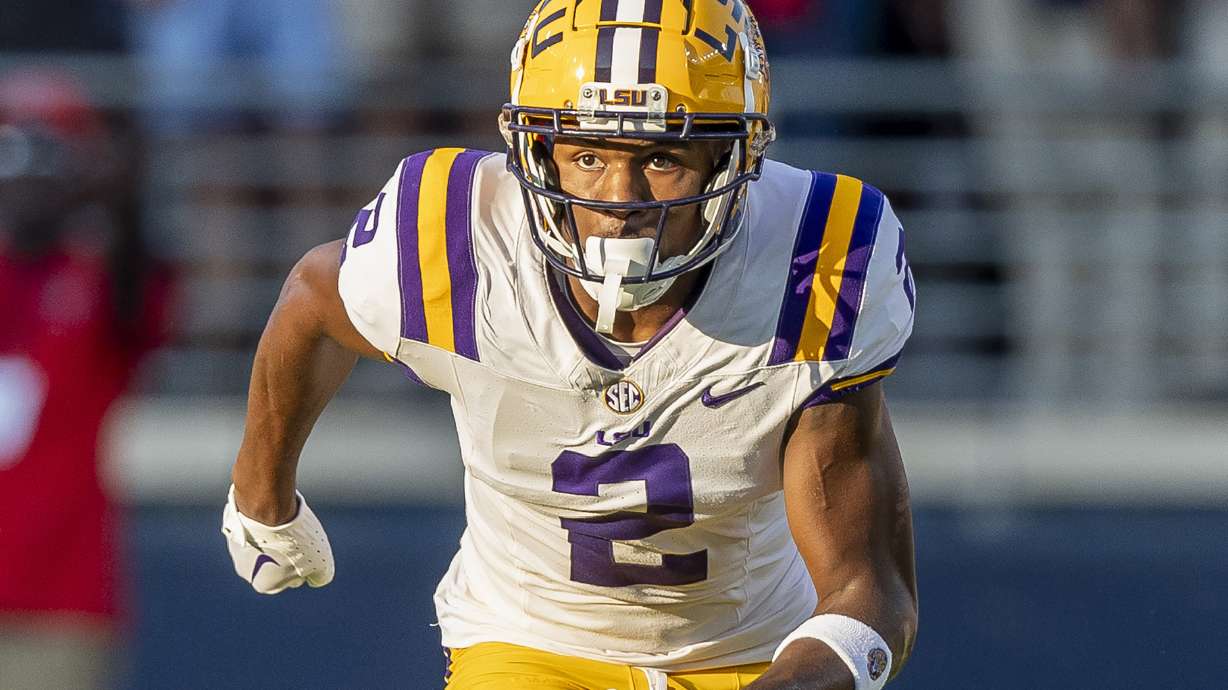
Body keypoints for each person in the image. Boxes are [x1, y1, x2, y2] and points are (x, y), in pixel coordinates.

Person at [222, 2, 919, 689]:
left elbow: (871, 595)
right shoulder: (462, 240)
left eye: (662, 158)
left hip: (751, 650)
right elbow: (314, 299)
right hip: (528, 638)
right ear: (537, 152)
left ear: (730, 160)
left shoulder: (816, 265)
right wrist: (259, 497)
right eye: (587, 154)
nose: (620, 199)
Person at [0, 69, 168, 690]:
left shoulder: (96, 283)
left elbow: (139, 289)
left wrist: (120, 202)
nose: (28, 178)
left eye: (47, 159)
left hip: (58, 605)